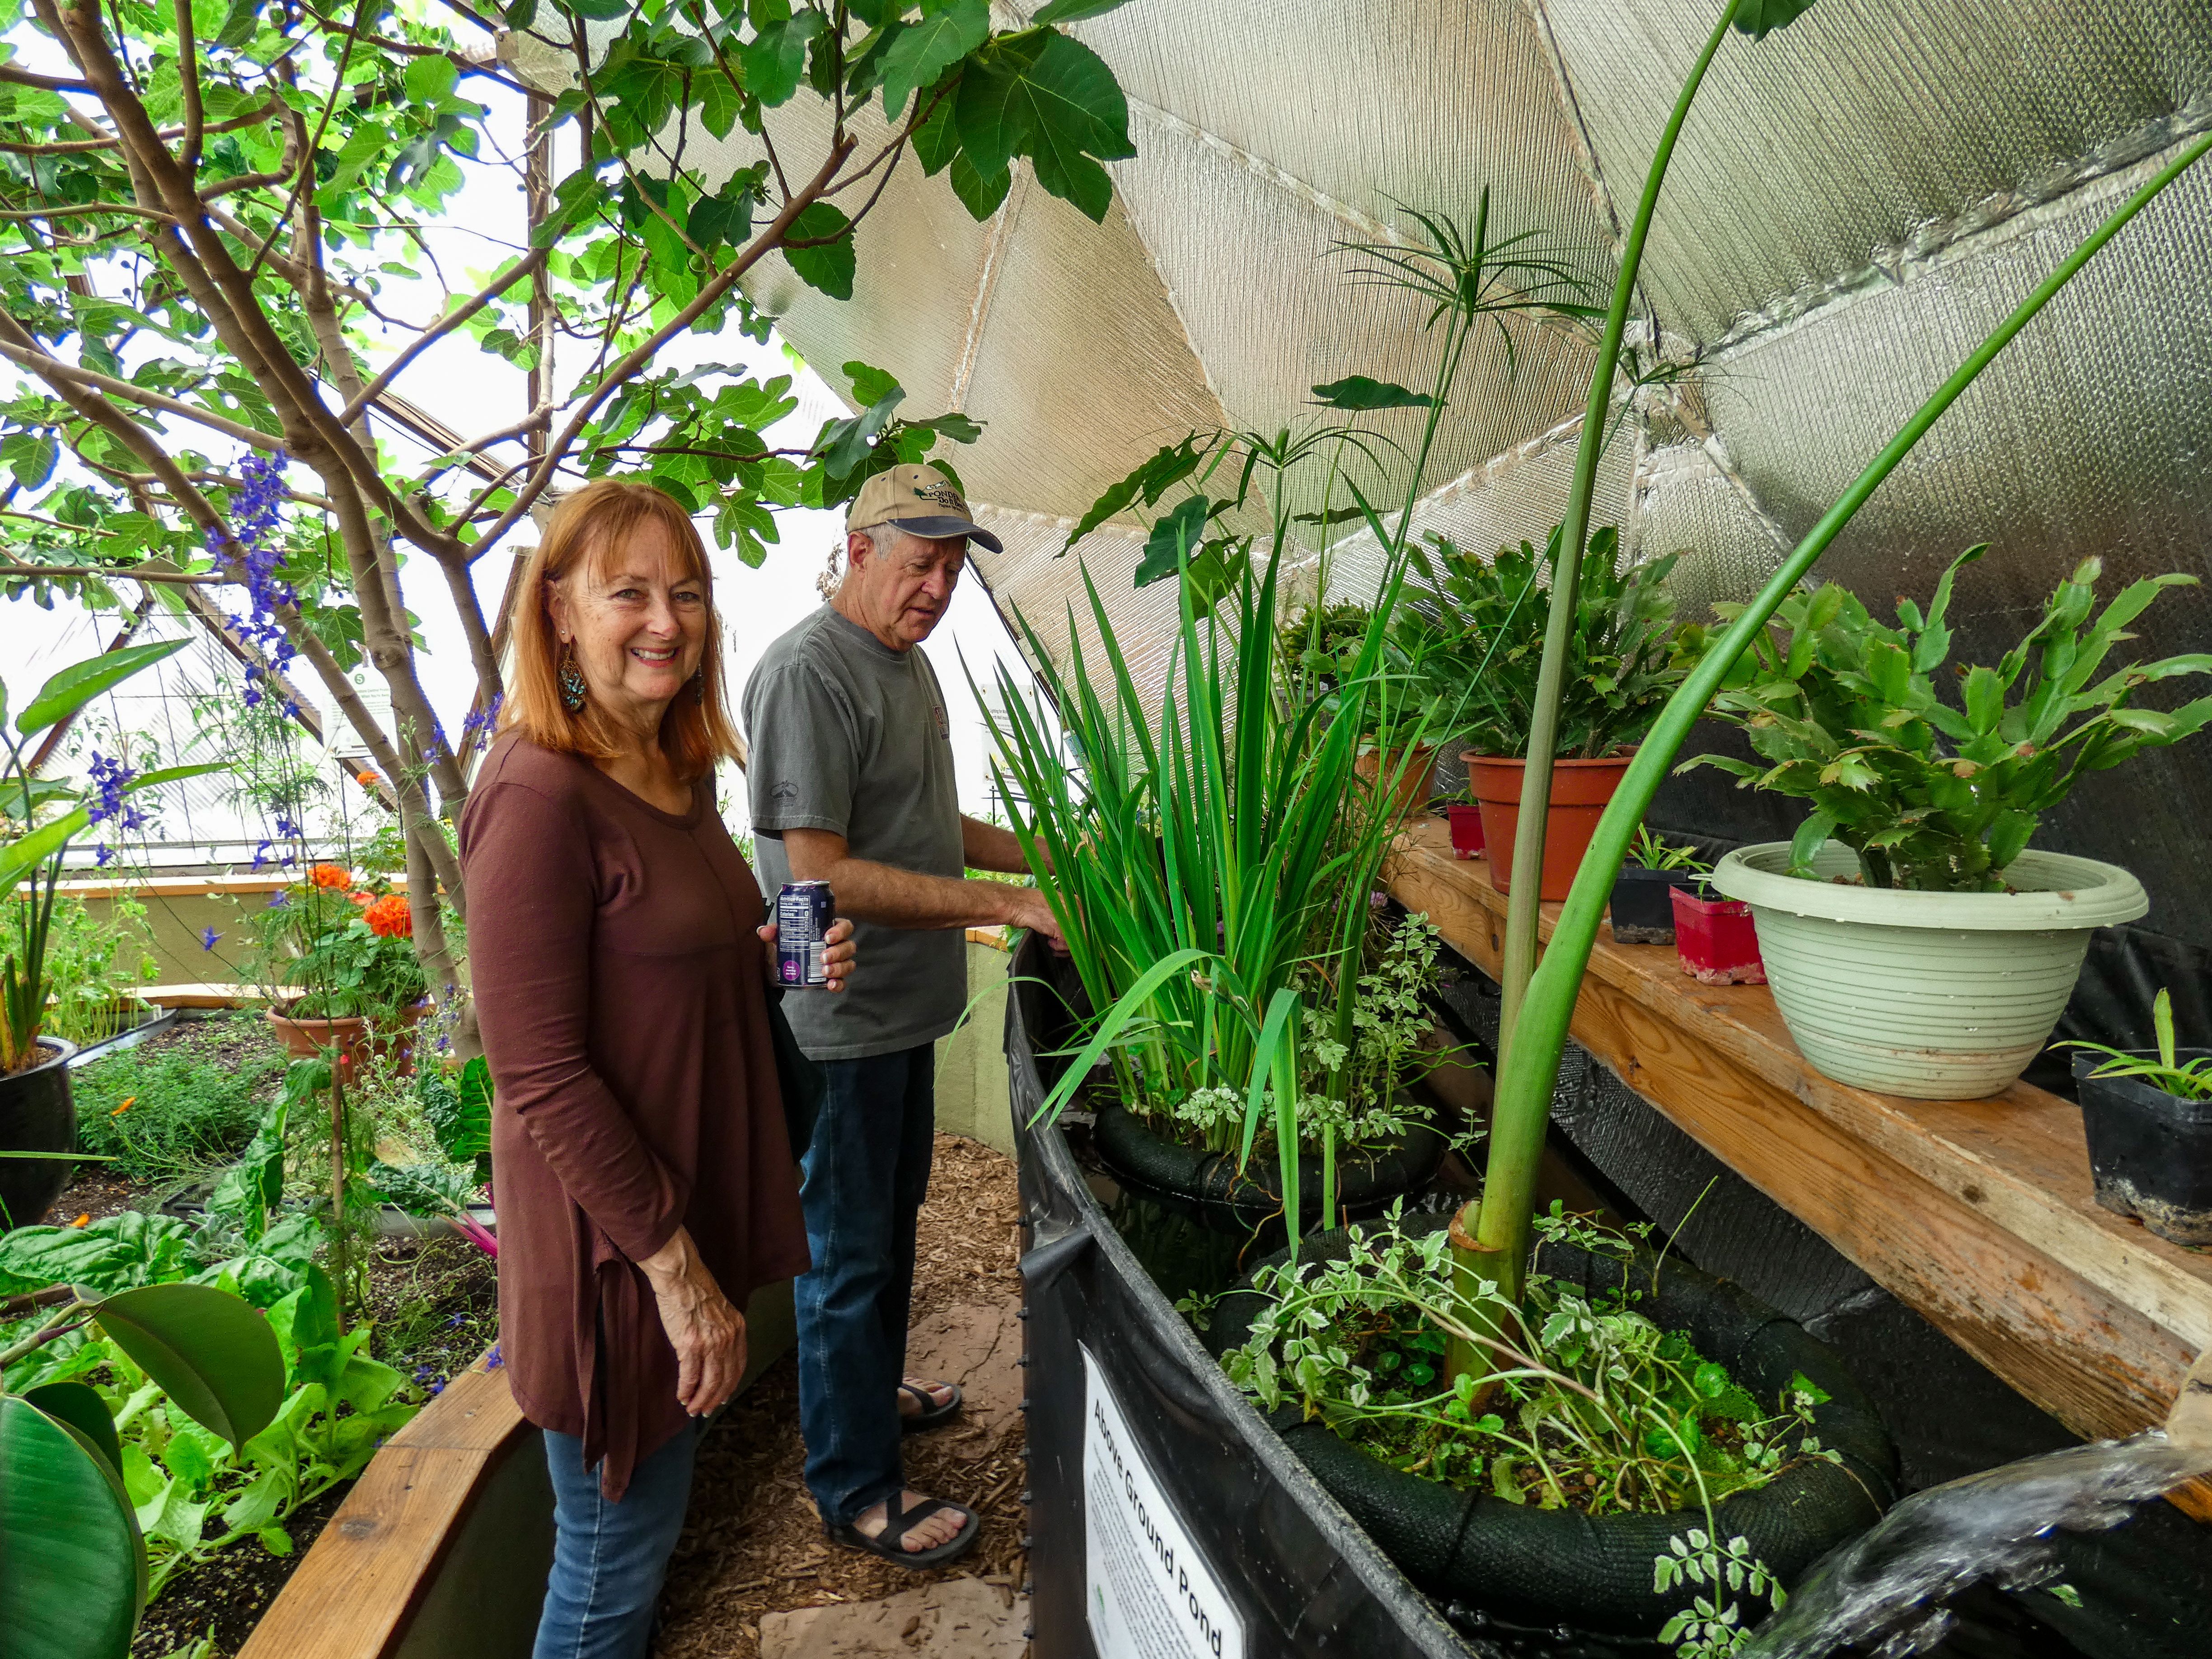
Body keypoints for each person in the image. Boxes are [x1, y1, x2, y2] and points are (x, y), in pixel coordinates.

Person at [463, 478, 855, 1659]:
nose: (665, 621)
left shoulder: (674, 769)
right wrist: (676, 1276)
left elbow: (674, 969)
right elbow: (541, 1074)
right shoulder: (536, 793)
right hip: (615, 1254)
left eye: (685, 592)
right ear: (559, 611)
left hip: (673, 1225)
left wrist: (782, 959)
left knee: (640, 1540)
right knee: (608, 1572)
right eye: (626, 591)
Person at [742, 463, 1063, 1567]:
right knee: (846, 1253)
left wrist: (1049, 849)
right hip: (842, 1018)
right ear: (858, 548)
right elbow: (821, 875)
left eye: (954, 565)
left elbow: (924, 824)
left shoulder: (906, 663)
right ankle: (853, 1485)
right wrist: (1011, 902)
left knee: (887, 1226)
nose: (937, 584)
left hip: (904, 1008)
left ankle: (868, 1395)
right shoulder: (806, 673)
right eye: (919, 560)